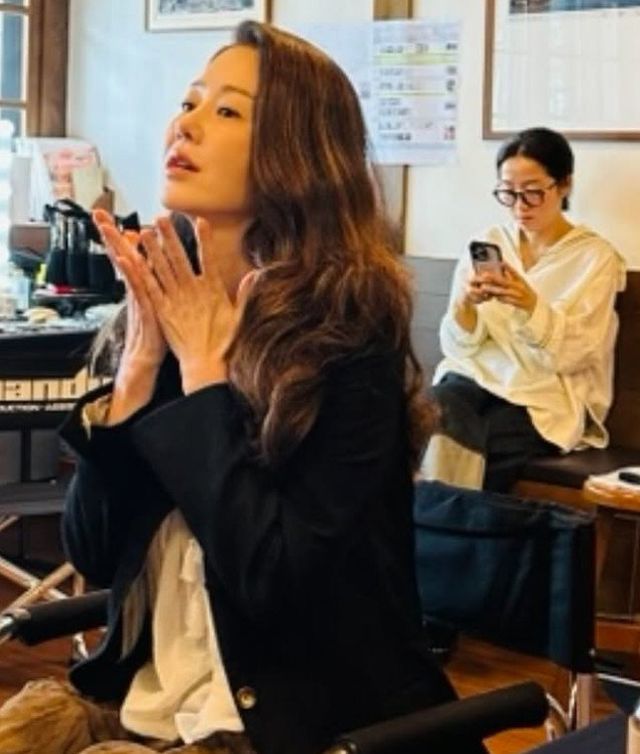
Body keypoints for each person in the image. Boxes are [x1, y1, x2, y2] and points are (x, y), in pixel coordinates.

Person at [0, 21, 486, 754]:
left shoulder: (349, 340)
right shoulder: (175, 311)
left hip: (285, 724)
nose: (186, 123)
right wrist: (135, 375)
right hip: (152, 706)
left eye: (226, 110)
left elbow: (274, 580)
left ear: (297, 155)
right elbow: (95, 553)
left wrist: (206, 380)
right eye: (189, 101)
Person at [420, 126, 626, 492]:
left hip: (543, 398)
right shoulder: (488, 243)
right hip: (474, 380)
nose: (519, 205)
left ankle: (431, 521)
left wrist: (530, 305)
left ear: (564, 185)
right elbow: (457, 348)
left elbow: (578, 353)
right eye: (508, 192)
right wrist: (466, 303)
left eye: (532, 192)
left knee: (471, 445)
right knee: (432, 412)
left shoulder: (595, 259)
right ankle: (449, 521)